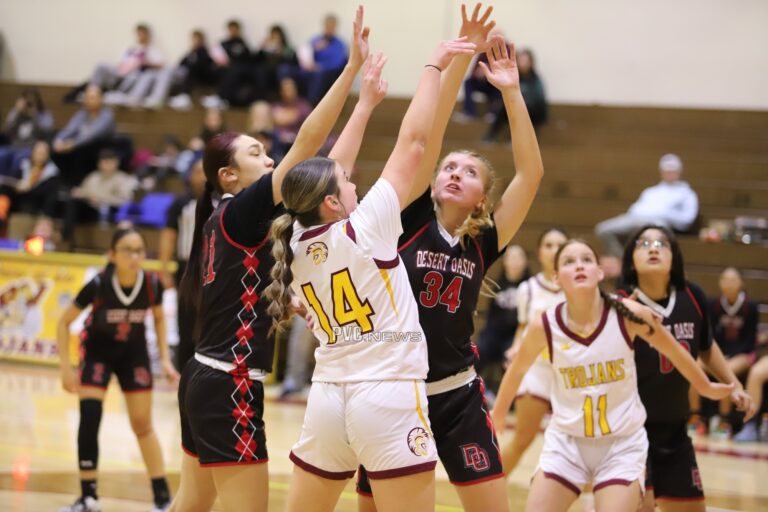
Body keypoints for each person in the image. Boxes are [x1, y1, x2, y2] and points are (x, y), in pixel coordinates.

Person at [265, 23, 479, 509]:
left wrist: (364, 105)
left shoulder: (294, 239)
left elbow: (326, 171)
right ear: (333, 203)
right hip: (387, 395)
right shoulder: (367, 227)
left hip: (327, 398)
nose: (355, 181)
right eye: (347, 183)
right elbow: (416, 143)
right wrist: (433, 68)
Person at [168, 8, 371, 511]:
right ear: (229, 176)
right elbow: (307, 148)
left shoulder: (226, 219)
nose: (269, 160)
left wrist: (366, 105)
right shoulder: (241, 209)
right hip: (228, 382)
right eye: (257, 153)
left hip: (203, 375)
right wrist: (349, 73)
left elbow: (328, 171)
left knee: (190, 506)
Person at [357, 12, 547, 509]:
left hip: (458, 392)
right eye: (449, 167)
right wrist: (462, 56)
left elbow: (531, 173)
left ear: (483, 198)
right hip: (395, 391)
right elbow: (431, 129)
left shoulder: (484, 242)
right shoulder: (408, 214)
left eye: (470, 171)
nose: (456, 173)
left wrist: (510, 91)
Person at [490, 239, 735, 512]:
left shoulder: (628, 314)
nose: (579, 265)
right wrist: (498, 414)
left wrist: (705, 386)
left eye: (586, 259)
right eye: (569, 262)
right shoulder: (545, 324)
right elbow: (517, 369)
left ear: (599, 272)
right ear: (557, 278)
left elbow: (675, 351)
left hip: (621, 445)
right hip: (567, 443)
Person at [619, 225, 756, 511]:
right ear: (631, 260)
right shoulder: (622, 305)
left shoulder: (691, 296)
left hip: (675, 431)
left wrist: (734, 386)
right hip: (630, 433)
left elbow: (706, 346)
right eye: (644, 243)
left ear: (674, 257)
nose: (653, 247)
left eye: (662, 243)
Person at [56, 227, 180, 512]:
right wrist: (66, 367)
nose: (135, 256)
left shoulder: (151, 284)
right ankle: (88, 498)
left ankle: (161, 499)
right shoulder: (98, 284)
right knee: (90, 416)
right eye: (127, 250)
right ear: (112, 254)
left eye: (139, 250)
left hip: (133, 355)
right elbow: (64, 322)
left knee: (143, 424)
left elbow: (160, 320)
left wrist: (164, 359)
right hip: (98, 352)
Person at [498, 228, 567, 475]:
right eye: (548, 244)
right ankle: (490, 487)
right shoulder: (528, 288)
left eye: (560, 244)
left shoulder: (580, 287)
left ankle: (590, 500)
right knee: (523, 439)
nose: (554, 250)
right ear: (539, 251)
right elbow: (523, 327)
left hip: (570, 372)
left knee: (582, 442)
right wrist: (516, 348)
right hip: (536, 369)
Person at [691, 267, 759, 439]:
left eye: (733, 280)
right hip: (719, 352)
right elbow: (709, 335)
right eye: (725, 280)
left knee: (727, 371)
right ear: (720, 283)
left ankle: (724, 421)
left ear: (741, 283)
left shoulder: (750, 307)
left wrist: (729, 356)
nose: (729, 284)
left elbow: (750, 340)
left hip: (743, 354)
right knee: (692, 366)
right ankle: (695, 416)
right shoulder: (713, 304)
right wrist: (718, 356)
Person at [595, 154, 698, 257]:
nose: (669, 174)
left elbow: (687, 220)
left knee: (651, 236)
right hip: (634, 218)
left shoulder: (687, 194)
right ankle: (622, 259)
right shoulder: (651, 191)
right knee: (603, 229)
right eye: (667, 171)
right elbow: (635, 208)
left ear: (679, 172)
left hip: (658, 222)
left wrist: (664, 214)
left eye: (672, 171)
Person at [159, 159, 206, 370]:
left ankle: (205, 367)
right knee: (185, 320)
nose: (203, 176)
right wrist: (164, 268)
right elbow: (168, 236)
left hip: (216, 268)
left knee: (209, 319)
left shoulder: (225, 201)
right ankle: (183, 370)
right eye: (198, 171)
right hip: (186, 267)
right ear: (190, 176)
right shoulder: (180, 203)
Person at [475, 244, 530, 393]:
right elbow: (491, 315)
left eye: (519, 257)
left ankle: (508, 396)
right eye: (511, 257)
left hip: (515, 335)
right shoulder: (497, 284)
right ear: (504, 262)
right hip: (495, 333)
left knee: (511, 356)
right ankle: (475, 390)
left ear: (525, 261)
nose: (515, 261)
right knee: (479, 350)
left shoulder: (530, 286)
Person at [62, 149, 137, 245]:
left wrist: (100, 198)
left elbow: (125, 200)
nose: (106, 164)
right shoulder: (93, 177)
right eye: (103, 161)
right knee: (72, 202)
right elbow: (82, 191)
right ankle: (66, 236)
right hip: (88, 208)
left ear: (116, 162)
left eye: (109, 161)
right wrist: (80, 193)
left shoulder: (122, 179)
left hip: (108, 212)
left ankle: (65, 237)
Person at [52, 85, 116, 188]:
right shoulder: (81, 114)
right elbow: (69, 129)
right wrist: (59, 140)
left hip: (98, 147)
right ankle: (62, 185)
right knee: (55, 151)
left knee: (81, 150)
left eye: (92, 98)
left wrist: (73, 144)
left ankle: (77, 185)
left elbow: (92, 135)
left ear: (101, 99)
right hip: (78, 145)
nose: (88, 101)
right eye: (87, 98)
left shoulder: (107, 116)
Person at [483, 47, 547, 142]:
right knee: (503, 109)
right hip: (515, 107)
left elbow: (539, 99)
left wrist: (521, 102)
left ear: (531, 62)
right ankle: (490, 136)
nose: (523, 63)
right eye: (521, 60)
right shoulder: (514, 77)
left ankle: (516, 140)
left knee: (523, 111)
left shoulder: (535, 79)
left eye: (525, 60)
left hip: (533, 111)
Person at [0, 88, 54, 177]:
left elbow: (47, 132)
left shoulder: (45, 114)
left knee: (18, 159)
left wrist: (35, 114)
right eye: (27, 101)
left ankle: (12, 186)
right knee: (1, 154)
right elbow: (6, 131)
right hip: (14, 146)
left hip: (31, 148)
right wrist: (17, 112)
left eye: (31, 102)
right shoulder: (16, 113)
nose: (28, 104)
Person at [297, 14, 349, 105]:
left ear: (335, 27)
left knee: (319, 74)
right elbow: (305, 54)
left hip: (328, 72)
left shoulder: (339, 44)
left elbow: (338, 63)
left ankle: (311, 105)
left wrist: (320, 66)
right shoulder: (315, 40)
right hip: (310, 69)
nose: (329, 28)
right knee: (288, 70)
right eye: (327, 25)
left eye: (331, 26)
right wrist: (314, 49)